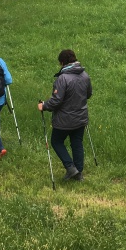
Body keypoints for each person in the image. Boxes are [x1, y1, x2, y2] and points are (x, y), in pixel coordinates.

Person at [38, 49, 92, 181]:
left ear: (62, 62)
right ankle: (78, 173)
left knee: (56, 141)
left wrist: (44, 105)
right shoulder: (85, 75)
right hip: (81, 117)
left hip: (64, 120)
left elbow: (56, 101)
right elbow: (88, 94)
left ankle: (70, 168)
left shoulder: (63, 78)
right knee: (77, 143)